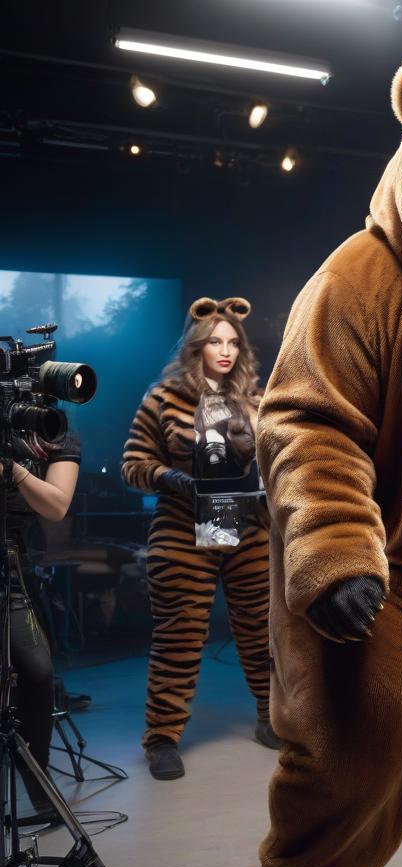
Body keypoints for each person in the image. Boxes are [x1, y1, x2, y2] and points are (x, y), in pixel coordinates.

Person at [122, 296, 276, 782]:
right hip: (183, 527)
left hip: (247, 526)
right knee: (180, 635)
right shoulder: (164, 397)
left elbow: (280, 459)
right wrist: (172, 479)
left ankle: (271, 717)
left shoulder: (257, 398)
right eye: (215, 342)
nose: (225, 351)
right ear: (196, 346)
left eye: (233, 342)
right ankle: (162, 737)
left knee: (261, 629)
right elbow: (133, 463)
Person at [2, 421, 81, 819]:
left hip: (11, 566)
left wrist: (11, 468)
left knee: (37, 672)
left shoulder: (52, 429)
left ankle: (37, 778)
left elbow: (55, 506)